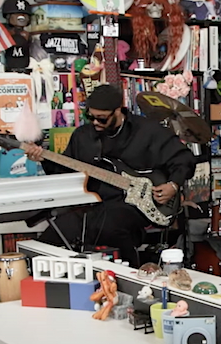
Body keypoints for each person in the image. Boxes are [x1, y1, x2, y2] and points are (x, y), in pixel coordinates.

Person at [22, 84, 196, 266]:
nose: (95, 122)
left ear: (118, 111)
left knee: (111, 226)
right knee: (55, 234)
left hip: (135, 207)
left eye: (102, 119)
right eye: (90, 117)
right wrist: (43, 158)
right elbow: (66, 172)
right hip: (93, 205)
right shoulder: (83, 136)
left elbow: (184, 158)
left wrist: (173, 185)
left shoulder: (147, 131)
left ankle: (131, 276)